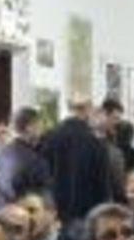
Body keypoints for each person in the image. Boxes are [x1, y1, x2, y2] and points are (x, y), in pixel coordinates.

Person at [40, 96, 115, 224]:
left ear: (69, 108)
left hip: (54, 211)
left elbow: (42, 175)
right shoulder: (95, 143)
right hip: (86, 212)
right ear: (88, 109)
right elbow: (103, 184)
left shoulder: (48, 137)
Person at [0, 107, 51, 212]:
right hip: (21, 219)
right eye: (40, 126)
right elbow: (44, 201)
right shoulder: (35, 160)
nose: (42, 131)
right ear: (30, 127)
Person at [96, 98, 128, 203]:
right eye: (115, 118)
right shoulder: (111, 151)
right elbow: (118, 186)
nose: (118, 123)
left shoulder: (113, 144)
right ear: (103, 116)